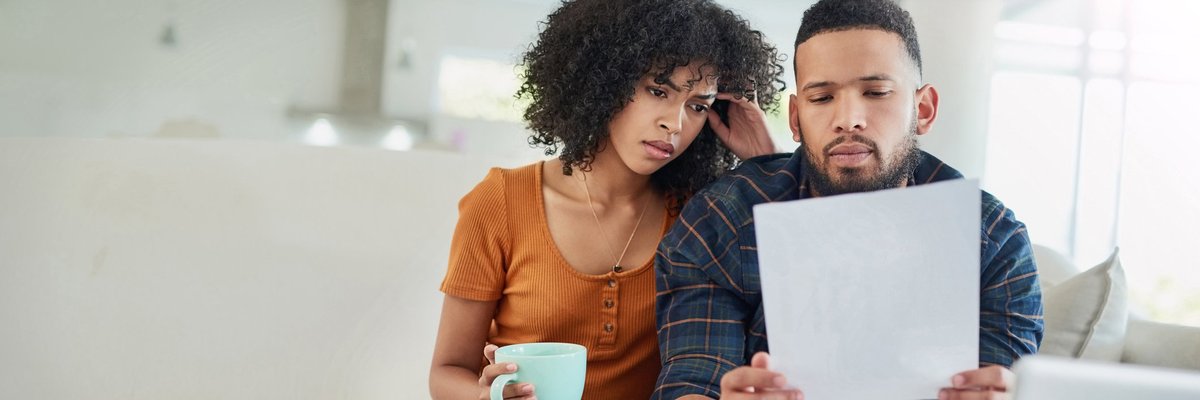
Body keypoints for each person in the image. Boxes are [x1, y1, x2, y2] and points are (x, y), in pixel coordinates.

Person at [653, 0, 1044, 399]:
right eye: (821, 98)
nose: (848, 119)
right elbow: (692, 380)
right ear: (795, 119)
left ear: (922, 109)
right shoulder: (725, 218)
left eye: (875, 92)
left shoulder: (994, 240)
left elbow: (1004, 374)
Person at [428, 0, 787, 399]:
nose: (675, 123)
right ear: (605, 80)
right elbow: (447, 371)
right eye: (657, 90)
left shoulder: (700, 215)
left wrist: (764, 164)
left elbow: (794, 295)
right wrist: (487, 396)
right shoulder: (500, 203)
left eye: (698, 105)